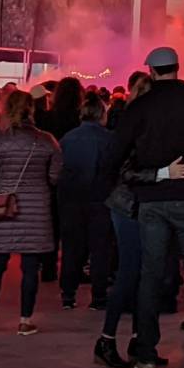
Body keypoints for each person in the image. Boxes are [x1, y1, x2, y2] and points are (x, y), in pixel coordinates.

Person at [109, 45, 184, 368]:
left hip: (152, 201)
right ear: (178, 67)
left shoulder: (141, 107)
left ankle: (146, 354)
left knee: (151, 275)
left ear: (151, 71)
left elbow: (118, 151)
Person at [0, 92, 60, 333]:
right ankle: (25, 320)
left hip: (4, 207)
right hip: (36, 209)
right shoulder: (46, 140)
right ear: (31, 109)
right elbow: (55, 176)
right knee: (30, 267)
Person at [55, 93, 117, 313]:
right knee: (101, 249)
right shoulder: (109, 139)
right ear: (102, 114)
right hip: (101, 200)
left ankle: (68, 295)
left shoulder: (67, 139)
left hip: (71, 200)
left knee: (72, 248)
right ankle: (98, 296)